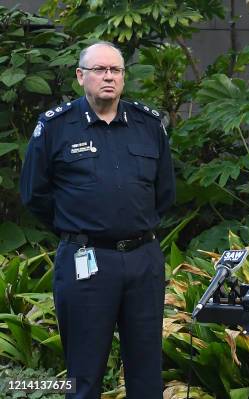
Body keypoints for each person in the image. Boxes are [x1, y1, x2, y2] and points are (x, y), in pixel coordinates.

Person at [20, 41, 175, 399]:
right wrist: (76, 230)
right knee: (84, 372)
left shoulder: (148, 124)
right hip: (85, 261)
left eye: (116, 70)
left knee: (146, 370)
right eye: (100, 70)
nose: (109, 77)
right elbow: (34, 195)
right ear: (80, 76)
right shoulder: (56, 126)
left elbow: (165, 193)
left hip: (142, 259)